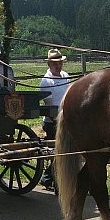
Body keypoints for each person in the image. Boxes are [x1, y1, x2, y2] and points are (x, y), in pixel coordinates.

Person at [39, 48, 71, 190]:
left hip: (66, 120)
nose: (58, 66)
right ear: (49, 64)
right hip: (53, 122)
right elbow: (49, 105)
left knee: (63, 153)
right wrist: (58, 121)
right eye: (55, 63)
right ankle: (54, 180)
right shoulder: (46, 81)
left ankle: (47, 177)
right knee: (59, 153)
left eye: (60, 63)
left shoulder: (65, 75)